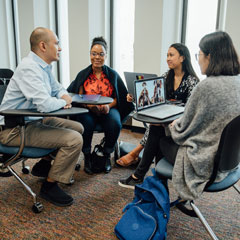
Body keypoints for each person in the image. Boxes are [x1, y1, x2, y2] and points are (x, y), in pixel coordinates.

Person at [122, 31, 240, 199]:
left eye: (199, 54)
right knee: (159, 131)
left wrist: (167, 125)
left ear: (210, 56)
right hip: (228, 160)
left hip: (204, 162)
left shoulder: (206, 86)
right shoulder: (237, 82)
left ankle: (154, 187)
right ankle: (150, 181)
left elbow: (184, 129)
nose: (198, 59)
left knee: (158, 134)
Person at [0, 27, 84, 207]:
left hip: (33, 121)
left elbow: (59, 89)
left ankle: (45, 165)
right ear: (43, 46)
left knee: (78, 128)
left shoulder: (44, 68)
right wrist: (64, 101)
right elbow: (45, 105)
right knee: (74, 139)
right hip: (14, 130)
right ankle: (50, 186)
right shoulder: (29, 69)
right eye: (57, 43)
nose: (60, 48)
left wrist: (63, 97)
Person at [117, 43, 199, 168]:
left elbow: (190, 110)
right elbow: (154, 100)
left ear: (182, 58)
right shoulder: (167, 76)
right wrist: (134, 97)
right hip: (166, 116)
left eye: (171, 55)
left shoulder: (192, 81)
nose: (168, 58)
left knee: (156, 127)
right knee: (156, 124)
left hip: (180, 121)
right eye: (167, 55)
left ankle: (136, 154)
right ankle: (144, 163)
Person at [67, 36, 134, 175]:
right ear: (90, 54)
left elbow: (119, 97)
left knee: (115, 123)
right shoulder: (83, 74)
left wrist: (108, 106)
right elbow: (76, 96)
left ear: (106, 56)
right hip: (88, 109)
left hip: (108, 108)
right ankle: (87, 156)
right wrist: (90, 106)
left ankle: (106, 154)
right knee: (85, 123)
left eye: (101, 54)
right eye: (94, 53)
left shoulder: (112, 75)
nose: (97, 57)